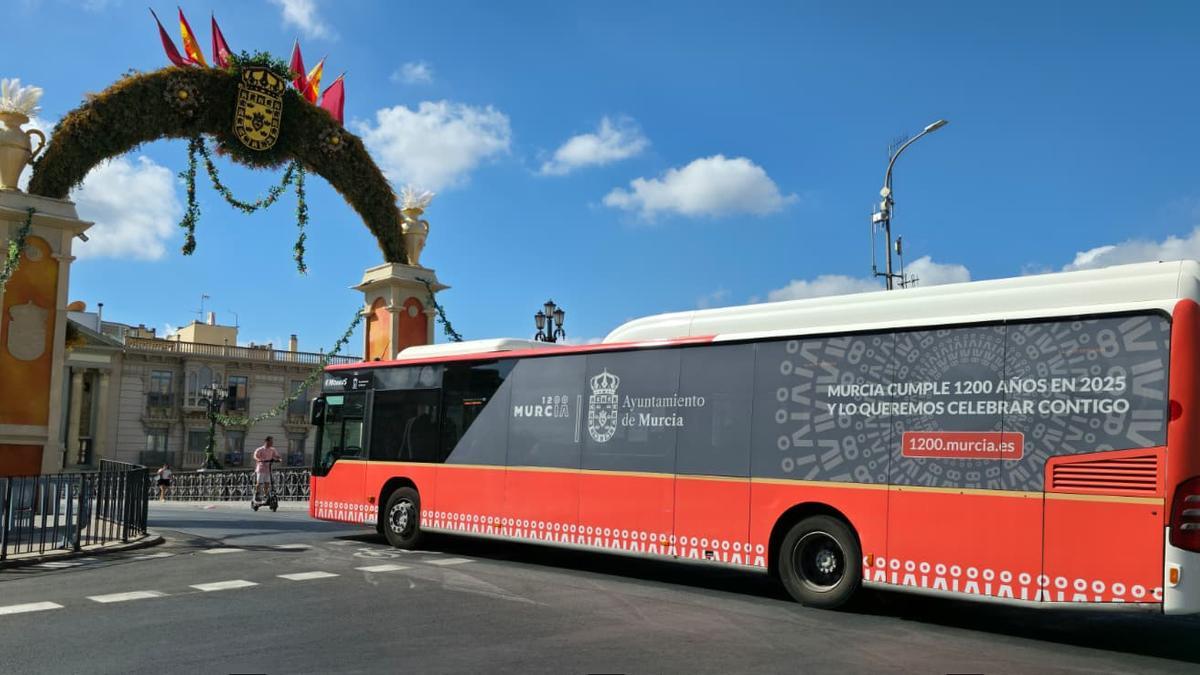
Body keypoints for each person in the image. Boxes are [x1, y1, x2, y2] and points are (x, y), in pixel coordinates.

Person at [253, 436, 282, 502]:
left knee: (267, 483)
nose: (272, 443)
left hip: (268, 468)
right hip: (261, 468)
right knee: (259, 483)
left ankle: (265, 495)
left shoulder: (272, 449)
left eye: (272, 442)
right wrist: (259, 460)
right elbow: (255, 456)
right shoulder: (260, 449)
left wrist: (279, 458)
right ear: (266, 441)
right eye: (271, 441)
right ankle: (257, 494)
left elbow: (276, 455)